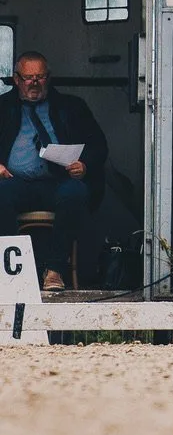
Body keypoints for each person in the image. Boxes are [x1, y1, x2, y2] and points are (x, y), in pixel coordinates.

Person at [0, 51, 108, 292]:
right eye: (28, 78)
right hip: (15, 183)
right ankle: (14, 273)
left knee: (76, 192)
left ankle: (54, 270)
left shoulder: (71, 106)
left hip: (58, 182)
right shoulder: (2, 107)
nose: (34, 83)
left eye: (40, 77)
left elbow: (98, 144)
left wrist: (85, 165)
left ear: (48, 78)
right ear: (17, 79)